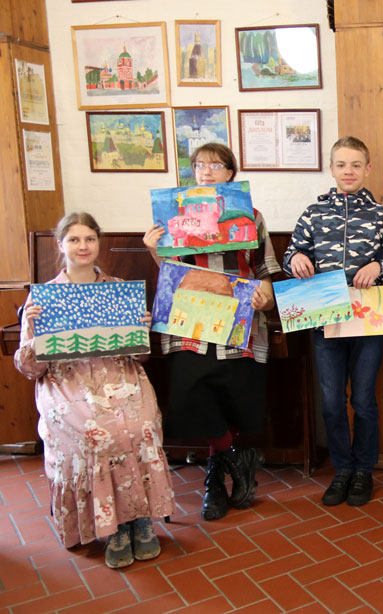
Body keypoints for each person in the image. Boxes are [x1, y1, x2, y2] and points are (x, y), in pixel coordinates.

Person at [15, 212, 175, 569]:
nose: (83, 246)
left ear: (98, 243)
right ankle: (113, 525)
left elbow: (140, 356)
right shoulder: (43, 298)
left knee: (139, 425)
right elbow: (28, 369)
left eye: (89, 239)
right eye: (74, 239)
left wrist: (140, 330)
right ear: (61, 246)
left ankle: (140, 518)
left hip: (119, 375)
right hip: (68, 382)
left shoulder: (118, 289)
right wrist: (34, 331)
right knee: (96, 432)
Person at [143, 143, 279, 522]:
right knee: (191, 393)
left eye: (216, 165)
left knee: (231, 396)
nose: (206, 171)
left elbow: (265, 270)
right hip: (190, 320)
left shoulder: (250, 216)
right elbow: (172, 273)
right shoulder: (174, 216)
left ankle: (215, 479)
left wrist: (266, 297)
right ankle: (235, 457)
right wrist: (154, 251)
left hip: (239, 318)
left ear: (231, 174)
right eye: (200, 165)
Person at [284, 136, 383, 506]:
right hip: (324, 321)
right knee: (331, 401)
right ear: (332, 168)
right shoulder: (313, 213)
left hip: (368, 323)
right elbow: (292, 255)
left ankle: (363, 471)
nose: (348, 171)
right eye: (341, 165)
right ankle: (342, 469)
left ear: (367, 169)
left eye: (356, 165)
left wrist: (379, 267)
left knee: (364, 400)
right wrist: (295, 260)